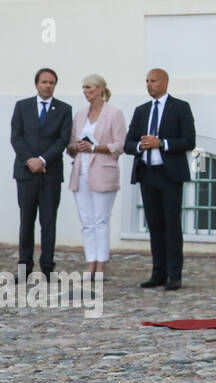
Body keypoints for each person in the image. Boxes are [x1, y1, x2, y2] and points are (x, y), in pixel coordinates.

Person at [123, 69, 196, 290]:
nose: (149, 85)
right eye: (146, 81)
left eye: (153, 81)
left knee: (171, 224)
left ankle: (175, 274)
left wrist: (161, 143)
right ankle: (158, 272)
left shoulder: (180, 108)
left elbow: (188, 141)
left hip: (169, 174)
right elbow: (128, 143)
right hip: (147, 173)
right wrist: (140, 146)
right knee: (154, 225)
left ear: (164, 83)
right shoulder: (141, 111)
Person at [10, 68, 72, 280]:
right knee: (26, 220)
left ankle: (47, 266)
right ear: (36, 84)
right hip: (26, 173)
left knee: (48, 221)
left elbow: (62, 140)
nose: (48, 86)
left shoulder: (64, 109)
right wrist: (30, 160)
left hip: (50, 174)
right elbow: (16, 137)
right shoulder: (22, 106)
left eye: (52, 82)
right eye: (44, 82)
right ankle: (24, 266)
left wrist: (43, 160)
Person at [67, 74, 126, 291]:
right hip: (80, 170)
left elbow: (119, 145)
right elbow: (72, 143)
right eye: (83, 88)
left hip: (103, 170)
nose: (86, 92)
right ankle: (90, 261)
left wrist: (93, 148)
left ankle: (101, 264)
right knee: (86, 220)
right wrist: (76, 147)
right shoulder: (80, 114)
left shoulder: (114, 113)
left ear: (100, 89)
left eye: (89, 88)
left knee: (101, 219)